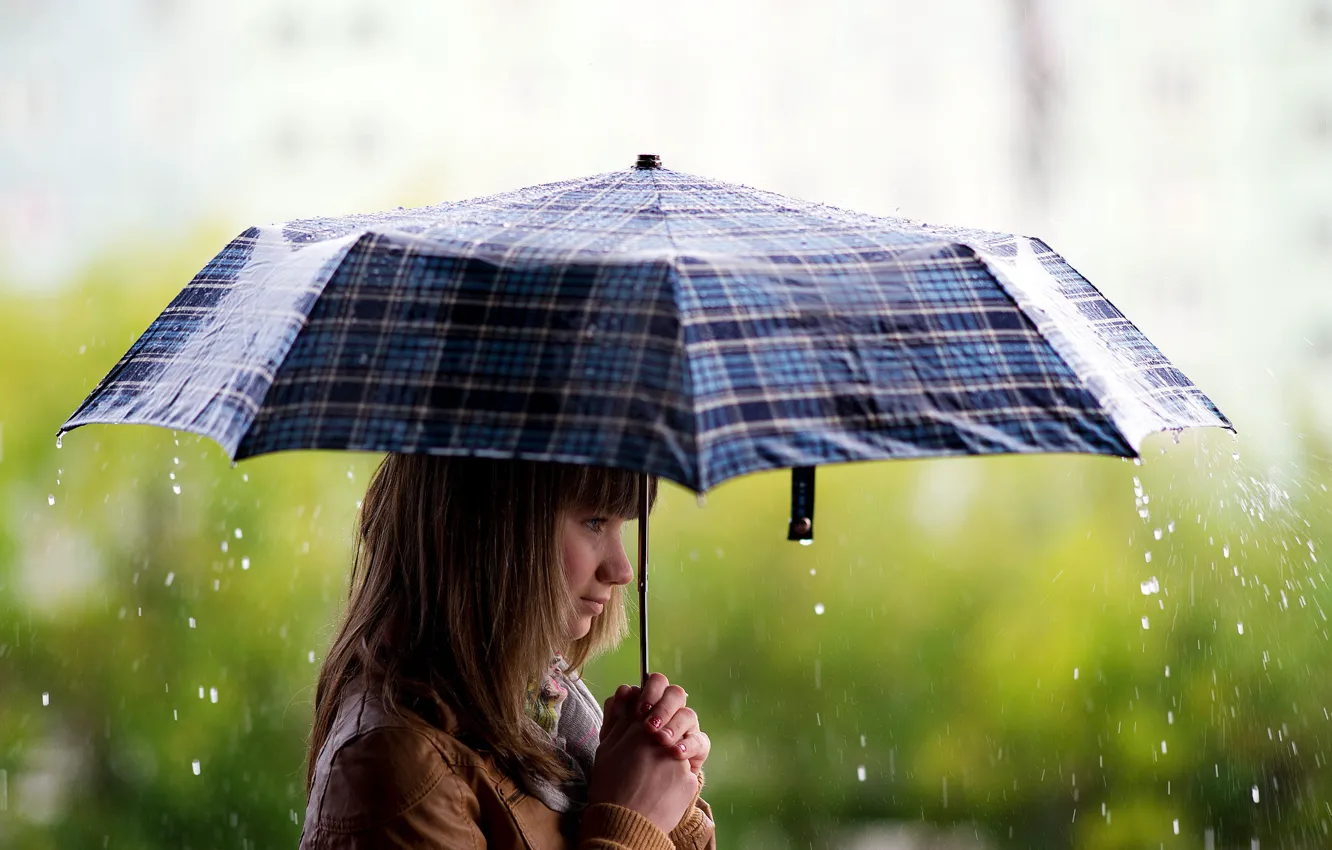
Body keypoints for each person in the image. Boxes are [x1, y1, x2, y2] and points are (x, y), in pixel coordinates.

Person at [299, 455, 715, 849]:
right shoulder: (396, 770)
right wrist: (632, 824)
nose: (622, 569)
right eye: (593, 522)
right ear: (492, 527)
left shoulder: (544, 711)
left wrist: (668, 799)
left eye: (622, 526)